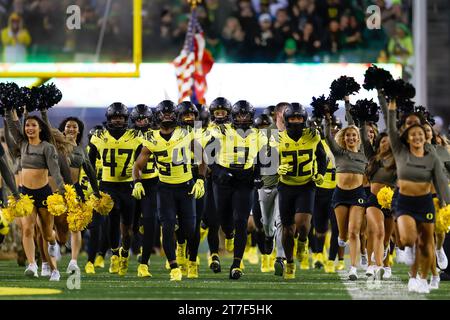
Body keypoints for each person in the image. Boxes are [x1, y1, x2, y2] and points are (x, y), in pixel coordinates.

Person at [133, 100, 206, 281]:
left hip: (186, 187)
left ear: (176, 115)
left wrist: (201, 180)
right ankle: (174, 267)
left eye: (170, 113)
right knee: (166, 227)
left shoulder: (186, 133)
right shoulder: (151, 138)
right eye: (163, 114)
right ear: (157, 116)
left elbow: (202, 157)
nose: (167, 117)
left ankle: (190, 259)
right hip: (165, 189)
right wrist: (137, 182)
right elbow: (137, 165)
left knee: (190, 229)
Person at [386, 100, 450, 293]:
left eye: (422, 133)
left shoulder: (434, 155)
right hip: (406, 201)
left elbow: (440, 182)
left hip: (427, 202)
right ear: (407, 136)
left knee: (426, 243)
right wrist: (390, 104)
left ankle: (419, 278)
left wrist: (446, 205)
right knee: (408, 239)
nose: (418, 136)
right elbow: (390, 128)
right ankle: (415, 263)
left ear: (428, 136)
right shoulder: (400, 151)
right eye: (413, 133)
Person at [207, 100, 267, 279]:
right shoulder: (221, 130)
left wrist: (258, 175)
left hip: (244, 180)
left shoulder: (258, 134)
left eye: (245, 115)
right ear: (233, 116)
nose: (242, 118)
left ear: (251, 116)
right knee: (225, 221)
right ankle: (229, 233)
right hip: (223, 179)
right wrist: (219, 171)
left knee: (241, 220)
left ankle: (237, 263)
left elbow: (262, 157)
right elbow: (209, 155)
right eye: (239, 115)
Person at [5, 109, 65, 281]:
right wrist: (8, 110)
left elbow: (55, 171)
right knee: (27, 229)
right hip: (26, 194)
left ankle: (54, 265)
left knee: (46, 234)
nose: (29, 128)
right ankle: (32, 264)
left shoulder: (47, 147)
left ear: (40, 129)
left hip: (44, 194)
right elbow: (13, 125)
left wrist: (62, 191)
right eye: (27, 125)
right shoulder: (22, 144)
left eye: (33, 125)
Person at [270, 103, 327, 279]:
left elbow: (322, 157)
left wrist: (320, 173)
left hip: (306, 185)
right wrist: (277, 168)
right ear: (286, 120)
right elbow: (265, 163)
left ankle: (303, 240)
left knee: (302, 224)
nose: (296, 121)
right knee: (287, 230)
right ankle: (290, 263)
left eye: (299, 118)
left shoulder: (313, 135)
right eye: (292, 118)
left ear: (304, 119)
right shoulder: (277, 139)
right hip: (286, 186)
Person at [89, 103, 143, 276]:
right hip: (107, 184)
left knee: (128, 228)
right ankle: (114, 255)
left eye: (120, 117)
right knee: (111, 222)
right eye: (114, 117)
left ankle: (125, 253)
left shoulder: (136, 137)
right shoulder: (98, 136)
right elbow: (89, 163)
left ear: (126, 119)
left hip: (127, 185)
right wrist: (93, 184)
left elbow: (142, 161)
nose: (118, 120)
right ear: (109, 119)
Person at [324, 104, 368, 281]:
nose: (351, 137)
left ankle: (353, 269)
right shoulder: (339, 152)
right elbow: (327, 136)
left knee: (354, 232)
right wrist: (327, 119)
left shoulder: (364, 152)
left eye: (354, 135)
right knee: (342, 235)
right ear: (344, 137)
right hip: (340, 195)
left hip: (358, 194)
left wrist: (349, 106)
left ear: (358, 138)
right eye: (348, 135)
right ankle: (341, 240)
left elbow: (359, 127)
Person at [128, 104, 158, 278]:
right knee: (129, 225)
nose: (141, 122)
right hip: (127, 184)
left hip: (151, 183)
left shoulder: (156, 135)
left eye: (143, 118)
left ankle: (144, 263)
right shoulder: (126, 136)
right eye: (138, 119)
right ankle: (124, 252)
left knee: (149, 222)